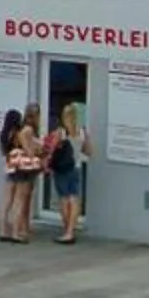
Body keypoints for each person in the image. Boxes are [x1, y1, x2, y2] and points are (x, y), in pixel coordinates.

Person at [0, 106, 42, 242]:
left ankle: (3, 231)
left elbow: (4, 152)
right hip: (22, 168)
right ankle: (16, 233)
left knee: (6, 201)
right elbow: (28, 150)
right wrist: (34, 152)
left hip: (11, 166)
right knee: (19, 200)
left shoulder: (5, 134)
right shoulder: (21, 131)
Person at [48, 101, 88, 243]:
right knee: (74, 198)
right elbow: (88, 150)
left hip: (62, 169)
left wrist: (46, 163)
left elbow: (51, 150)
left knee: (64, 199)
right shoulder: (82, 131)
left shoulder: (61, 132)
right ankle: (71, 230)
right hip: (75, 167)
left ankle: (67, 231)